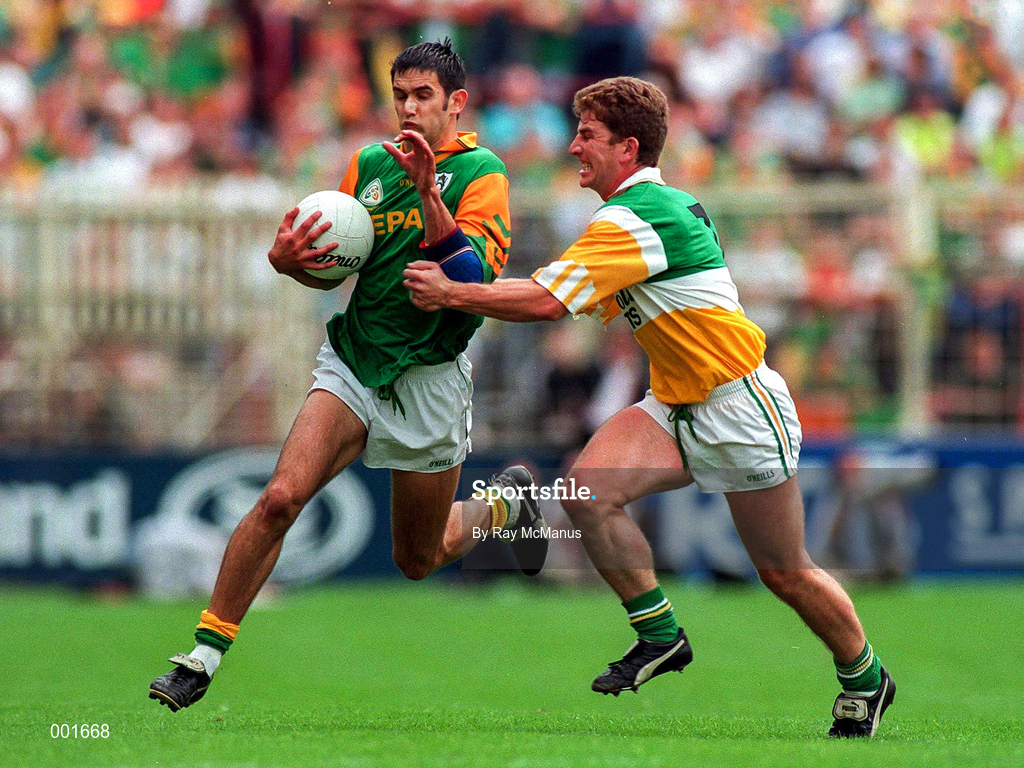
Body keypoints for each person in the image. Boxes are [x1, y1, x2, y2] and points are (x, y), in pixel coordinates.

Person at [403, 76, 896, 738]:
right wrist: (437, 206)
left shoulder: (636, 218)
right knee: (584, 492)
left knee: (784, 571)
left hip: (737, 406)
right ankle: (660, 633)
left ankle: (865, 676)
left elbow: (547, 301)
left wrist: (451, 295)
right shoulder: (645, 211)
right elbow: (534, 291)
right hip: (674, 399)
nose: (573, 145)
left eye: (588, 135)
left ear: (628, 148)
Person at [149, 39, 548, 713]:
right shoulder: (367, 164)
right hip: (355, 360)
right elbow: (333, 263)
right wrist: (289, 262)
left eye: (424, 96)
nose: (410, 108)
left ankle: (507, 505)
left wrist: (427, 191)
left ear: (456, 102)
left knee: (417, 559)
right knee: (280, 496)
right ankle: (203, 654)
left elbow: (474, 278)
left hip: (429, 376)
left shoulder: (483, 172)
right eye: (401, 96)